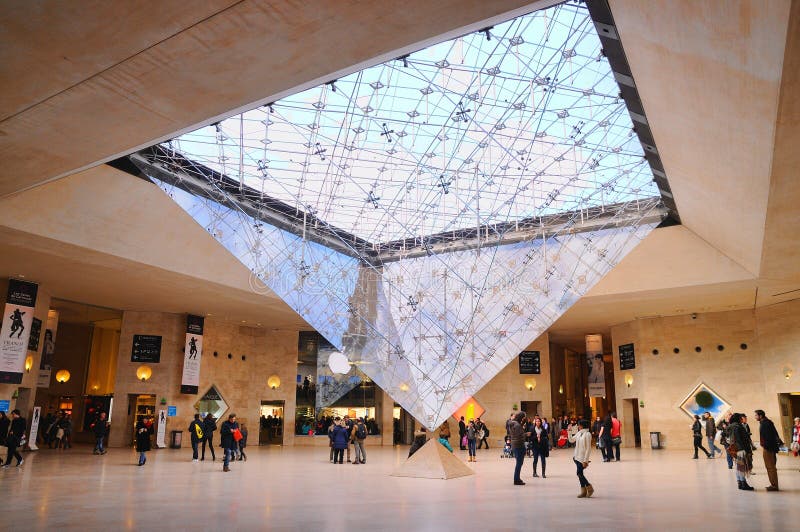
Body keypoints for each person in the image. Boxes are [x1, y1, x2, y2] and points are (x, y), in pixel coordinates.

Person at [755, 409, 781, 491]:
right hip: (769, 447)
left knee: (770, 467)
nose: (755, 417)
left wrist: (766, 446)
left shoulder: (765, 423)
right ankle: (773, 484)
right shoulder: (766, 422)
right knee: (770, 467)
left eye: (756, 415)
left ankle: (774, 486)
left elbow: (769, 437)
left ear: (760, 415)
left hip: (768, 448)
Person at [729, 413, 754, 491]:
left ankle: (740, 483)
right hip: (741, 449)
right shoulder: (738, 426)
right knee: (742, 467)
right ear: (738, 419)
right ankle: (744, 484)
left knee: (738, 467)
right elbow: (740, 439)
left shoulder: (731, 426)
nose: (742, 419)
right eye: (740, 418)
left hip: (735, 449)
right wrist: (745, 450)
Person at [570, 419, 593, 498]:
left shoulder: (588, 434)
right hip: (576, 457)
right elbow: (571, 440)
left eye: (579, 425)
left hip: (582, 458)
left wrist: (585, 461)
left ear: (582, 425)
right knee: (580, 474)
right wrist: (569, 432)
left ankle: (589, 487)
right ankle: (583, 491)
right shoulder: (579, 433)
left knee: (579, 473)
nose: (578, 426)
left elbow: (588, 448)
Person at [508, 411, 528, 485]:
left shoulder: (513, 424)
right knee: (519, 463)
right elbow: (520, 436)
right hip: (519, 445)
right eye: (523, 418)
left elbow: (516, 433)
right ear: (521, 418)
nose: (524, 419)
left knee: (518, 463)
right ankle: (516, 480)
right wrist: (526, 434)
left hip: (514, 444)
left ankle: (517, 478)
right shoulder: (518, 425)